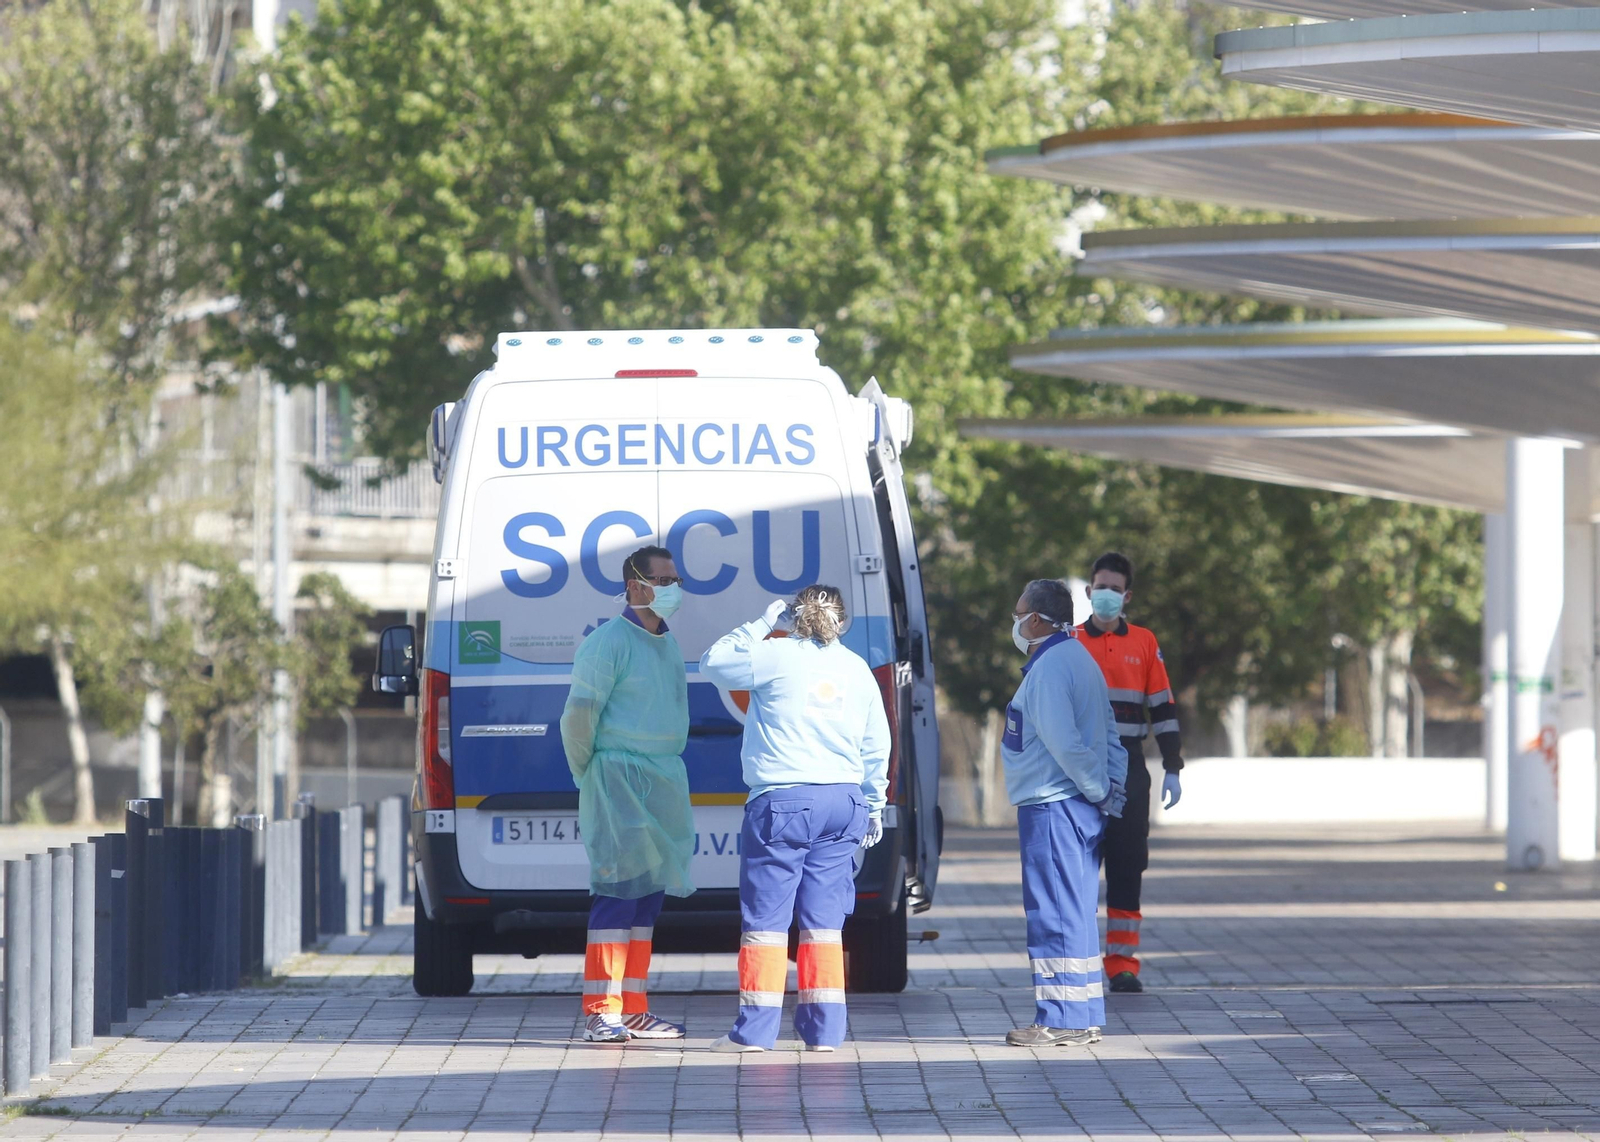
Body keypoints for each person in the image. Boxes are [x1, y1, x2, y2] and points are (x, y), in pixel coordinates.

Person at [698, 586, 891, 1054]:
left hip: (784, 802)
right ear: (841, 621)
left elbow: (713, 663)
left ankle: (754, 1033)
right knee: (824, 923)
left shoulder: (775, 655)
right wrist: (874, 803)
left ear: (794, 616)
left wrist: (762, 624)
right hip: (844, 803)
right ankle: (824, 1032)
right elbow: (876, 744)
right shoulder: (857, 668)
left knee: (766, 921)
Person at [560, 544, 696, 1043]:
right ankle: (601, 1011)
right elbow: (578, 719)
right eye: (664, 580)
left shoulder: (665, 643)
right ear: (635, 584)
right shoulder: (607, 643)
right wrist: (592, 774)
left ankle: (633, 1008)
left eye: (676, 580)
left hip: (661, 778)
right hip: (617, 777)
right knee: (617, 896)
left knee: (646, 902)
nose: (673, 588)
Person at [1002, 578, 1127, 1048]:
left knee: (1053, 914)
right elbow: (1110, 733)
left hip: (1053, 806)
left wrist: (1098, 790)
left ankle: (1059, 1019)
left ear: (1036, 619)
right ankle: (1084, 1014)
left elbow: (1065, 744)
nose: (1015, 622)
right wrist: (1110, 792)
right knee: (1075, 913)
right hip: (1078, 808)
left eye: (1019, 614)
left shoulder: (1050, 668)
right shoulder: (1080, 659)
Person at [1076, 551, 1185, 994]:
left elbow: (1163, 707)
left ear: (1128, 597)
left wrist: (1173, 766)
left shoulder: (1144, 642)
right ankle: (1077, 961)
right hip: (1079, 768)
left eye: (1115, 589)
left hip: (1129, 766)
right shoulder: (1068, 642)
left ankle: (1122, 965)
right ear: (1089, 591)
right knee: (1077, 868)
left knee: (1127, 866)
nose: (1107, 595)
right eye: (1101, 587)